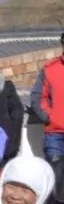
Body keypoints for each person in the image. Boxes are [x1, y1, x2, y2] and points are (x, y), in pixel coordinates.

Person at [37, 32, 64, 163]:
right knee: (57, 177)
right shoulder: (49, 69)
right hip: (55, 135)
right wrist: (49, 117)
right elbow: (38, 97)